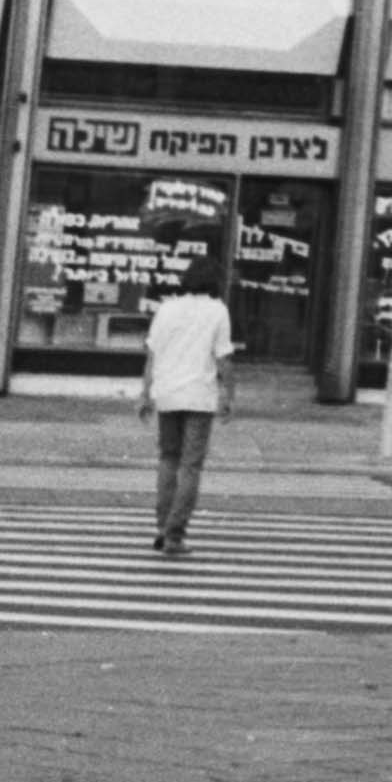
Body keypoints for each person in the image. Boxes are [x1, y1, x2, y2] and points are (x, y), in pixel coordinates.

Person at [135, 230, 232, 557]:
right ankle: (175, 536)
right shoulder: (218, 311)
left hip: (168, 394)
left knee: (167, 460)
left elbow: (152, 354)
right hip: (199, 397)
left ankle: (162, 527)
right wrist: (228, 394)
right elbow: (223, 358)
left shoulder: (167, 309)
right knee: (191, 466)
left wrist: (145, 393)